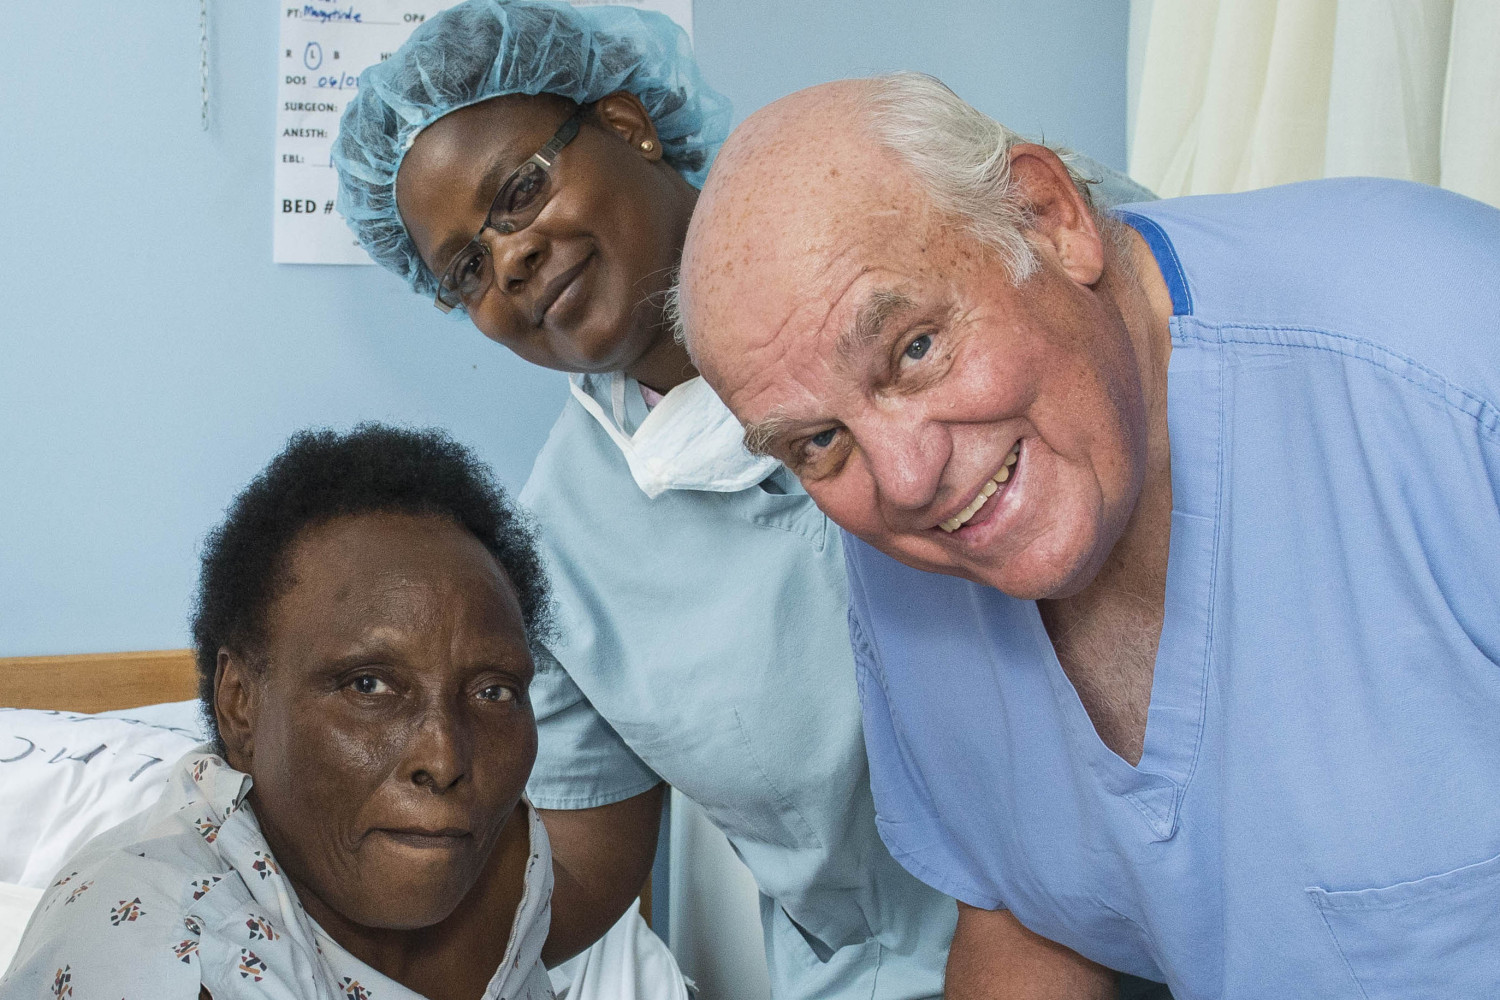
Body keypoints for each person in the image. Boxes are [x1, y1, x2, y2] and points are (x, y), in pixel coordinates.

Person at [333, 4, 1161, 998]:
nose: (507, 260)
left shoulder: (927, 220)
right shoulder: (561, 546)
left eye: (519, 191)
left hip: (1187, 918)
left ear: (630, 124)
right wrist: (347, 926)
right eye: (465, 268)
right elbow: (590, 854)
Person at [676, 71, 1500, 999]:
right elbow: (1029, 911)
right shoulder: (915, 529)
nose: (905, 479)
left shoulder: (1450, 356)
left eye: (915, 348)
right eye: (819, 441)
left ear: (1047, 216)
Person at [0, 425, 559, 999]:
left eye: (493, 692)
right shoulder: (169, 957)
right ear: (240, 705)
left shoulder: (512, 858)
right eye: (368, 685)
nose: (444, 758)